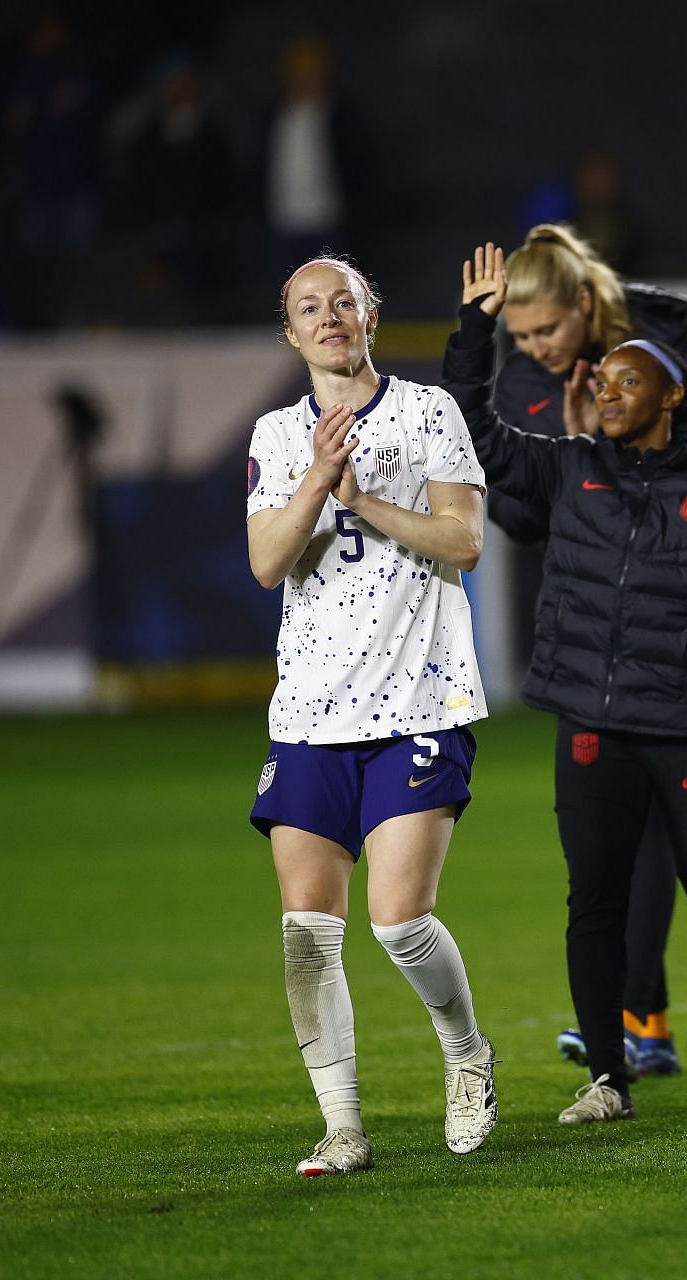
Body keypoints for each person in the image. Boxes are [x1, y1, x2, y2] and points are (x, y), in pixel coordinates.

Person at [444, 243, 687, 1124]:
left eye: (626, 382)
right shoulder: (571, 467)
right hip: (592, 725)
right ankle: (607, 1076)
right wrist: (474, 329)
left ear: (673, 396)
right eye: (601, 384)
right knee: (593, 902)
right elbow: (473, 435)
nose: (605, 390)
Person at [244, 256, 497, 1177]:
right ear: (292, 334)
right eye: (308, 307)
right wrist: (316, 481)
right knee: (306, 931)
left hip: (419, 701)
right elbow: (268, 562)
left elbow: (463, 540)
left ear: (371, 317)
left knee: (398, 920)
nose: (328, 317)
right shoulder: (277, 436)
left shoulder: (431, 413)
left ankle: (466, 1054)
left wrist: (363, 500)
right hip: (309, 710)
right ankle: (343, 1124)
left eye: (341, 302)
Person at [492, 224, 687, 1078]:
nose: (534, 349)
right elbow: (519, 514)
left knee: (677, 854)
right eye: (520, 337)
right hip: (598, 641)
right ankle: (643, 1024)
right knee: (618, 850)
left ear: (587, 305)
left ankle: (666, 1025)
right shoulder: (527, 375)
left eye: (546, 332)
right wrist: (570, 458)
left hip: (680, 635)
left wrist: (614, 451)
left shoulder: (671, 343)